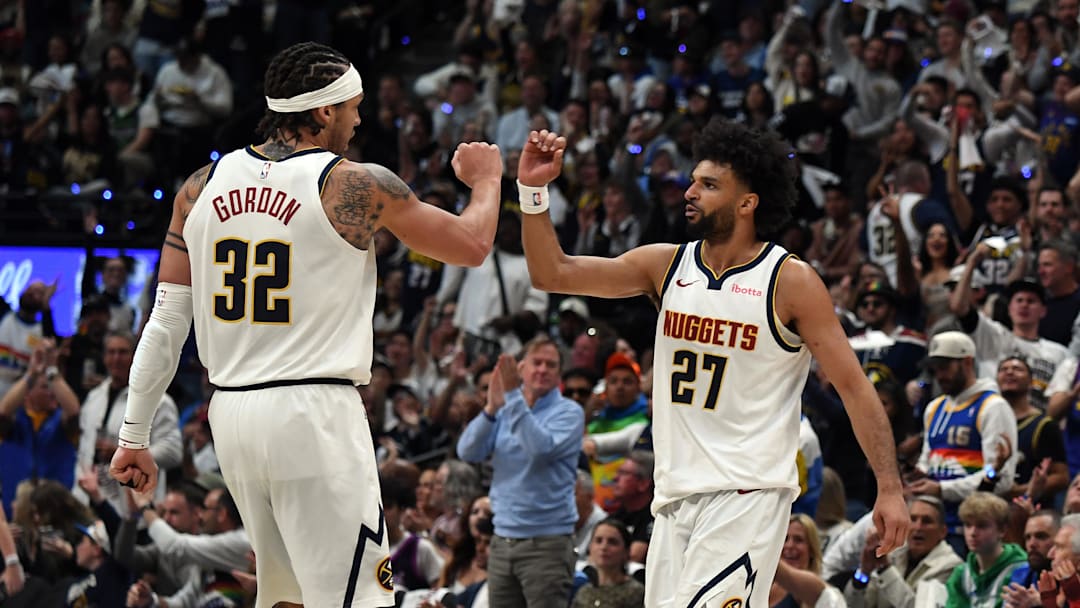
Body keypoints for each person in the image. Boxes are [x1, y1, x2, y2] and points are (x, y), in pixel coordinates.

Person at [108, 41, 504, 608]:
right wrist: (487, 180)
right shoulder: (353, 184)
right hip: (312, 414)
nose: (360, 118)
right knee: (365, 597)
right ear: (324, 112)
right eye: (353, 106)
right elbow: (472, 245)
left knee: (286, 599)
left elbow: (167, 321)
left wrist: (134, 436)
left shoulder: (198, 188)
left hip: (233, 418)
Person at [514, 121, 908, 608]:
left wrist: (889, 487)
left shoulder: (789, 281)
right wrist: (533, 191)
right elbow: (552, 273)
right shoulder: (666, 265)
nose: (691, 191)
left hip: (748, 493)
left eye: (709, 184)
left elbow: (853, 387)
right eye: (694, 180)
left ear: (748, 202)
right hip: (675, 497)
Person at [457, 340, 585, 608]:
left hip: (547, 543)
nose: (543, 369)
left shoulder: (569, 413)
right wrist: (491, 409)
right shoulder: (505, 411)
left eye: (551, 365)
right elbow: (467, 451)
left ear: (559, 373)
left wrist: (513, 395)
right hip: (502, 540)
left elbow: (539, 448)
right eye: (536, 363)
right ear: (522, 368)